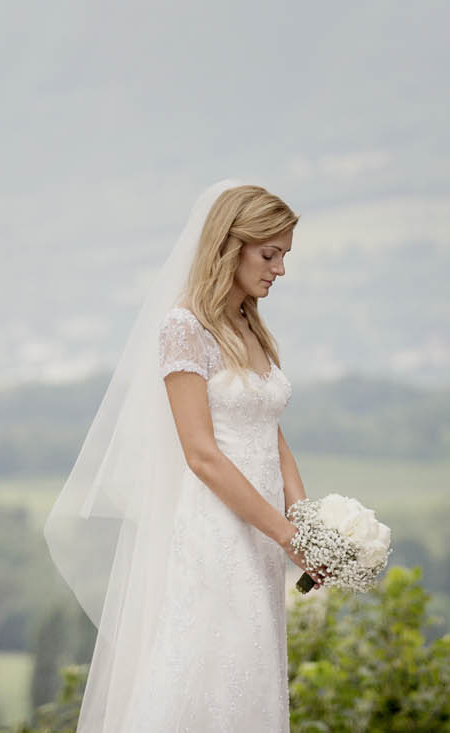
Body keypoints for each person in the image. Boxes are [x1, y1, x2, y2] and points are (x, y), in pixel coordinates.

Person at [43, 179, 323, 732]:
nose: (280, 270)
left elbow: (274, 435)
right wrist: (287, 535)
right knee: (212, 674)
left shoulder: (251, 328)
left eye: (284, 256)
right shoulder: (184, 329)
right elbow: (202, 455)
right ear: (230, 245)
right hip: (219, 529)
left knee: (253, 677)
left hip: (264, 532)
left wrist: (308, 524)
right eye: (270, 254)